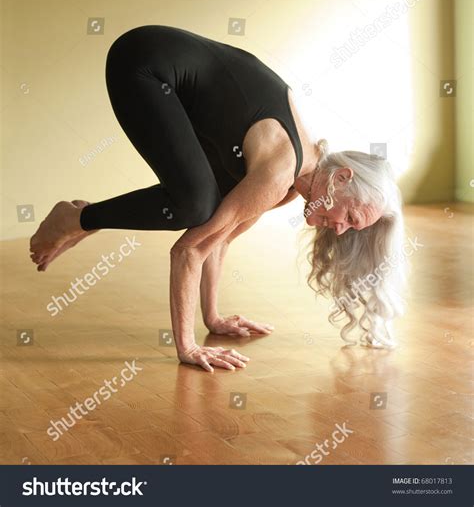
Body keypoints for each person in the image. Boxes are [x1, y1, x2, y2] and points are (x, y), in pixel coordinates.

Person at [30, 25, 406, 371]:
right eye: (351, 218)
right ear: (341, 177)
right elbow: (189, 250)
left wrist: (213, 318)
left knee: (205, 208)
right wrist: (188, 347)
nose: (340, 230)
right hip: (142, 63)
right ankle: (76, 219)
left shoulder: (291, 186)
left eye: (351, 229)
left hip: (172, 78)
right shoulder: (279, 175)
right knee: (195, 205)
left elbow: (219, 240)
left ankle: (81, 219)